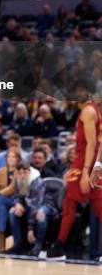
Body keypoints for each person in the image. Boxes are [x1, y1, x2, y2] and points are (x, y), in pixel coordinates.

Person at [48, 79, 102, 260]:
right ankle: (59, 246)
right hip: (85, 162)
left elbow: (92, 144)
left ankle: (59, 247)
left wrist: (86, 171)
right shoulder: (90, 109)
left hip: (86, 163)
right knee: (96, 205)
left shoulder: (88, 111)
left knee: (70, 203)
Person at [7, 161, 56, 257]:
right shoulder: (18, 180)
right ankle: (18, 243)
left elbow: (36, 206)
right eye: (20, 173)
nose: (22, 175)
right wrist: (17, 204)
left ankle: (38, 245)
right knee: (12, 211)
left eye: (25, 172)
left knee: (40, 214)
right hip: (30, 205)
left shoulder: (37, 182)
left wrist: (30, 229)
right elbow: (17, 196)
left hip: (46, 205)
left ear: (29, 171)